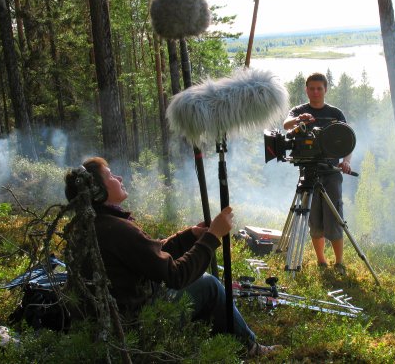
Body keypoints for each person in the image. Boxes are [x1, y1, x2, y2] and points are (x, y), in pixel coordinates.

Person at [64, 157, 279, 357]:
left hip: (109, 328)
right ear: (97, 191)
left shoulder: (87, 226)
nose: (118, 178)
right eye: (110, 175)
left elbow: (148, 256)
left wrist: (190, 236)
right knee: (209, 285)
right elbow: (176, 276)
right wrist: (212, 237)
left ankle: (222, 340)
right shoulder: (117, 229)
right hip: (136, 328)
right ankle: (252, 348)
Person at [283, 72, 352, 275]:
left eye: (319, 88)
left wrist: (346, 161)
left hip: (331, 172)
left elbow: (348, 140)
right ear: (306, 90)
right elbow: (286, 125)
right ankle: (321, 261)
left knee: (334, 217)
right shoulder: (298, 111)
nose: (315, 92)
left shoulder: (335, 114)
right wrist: (299, 120)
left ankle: (339, 263)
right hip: (308, 172)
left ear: (325, 90)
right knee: (314, 219)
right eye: (311, 88)